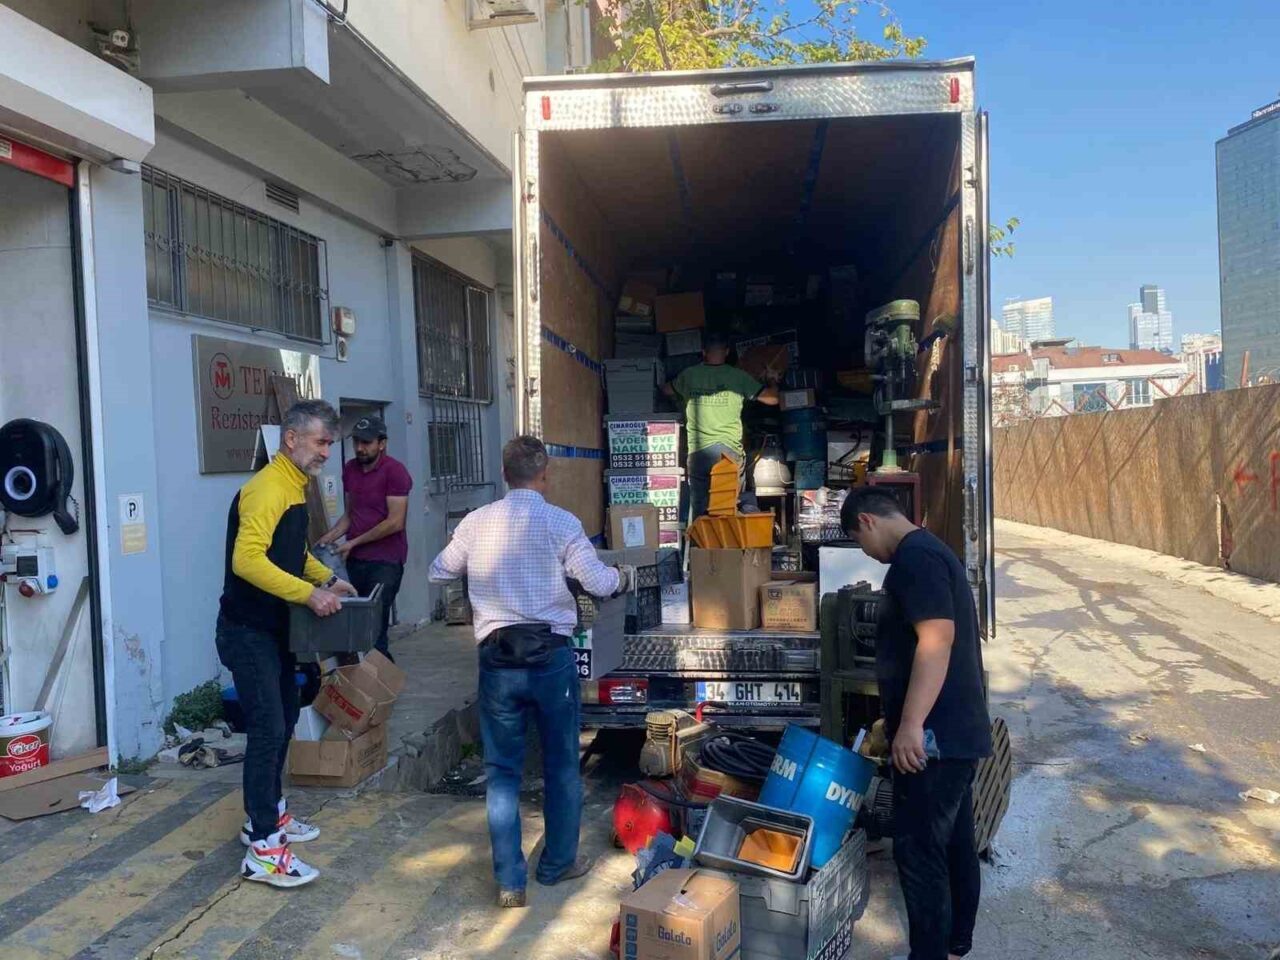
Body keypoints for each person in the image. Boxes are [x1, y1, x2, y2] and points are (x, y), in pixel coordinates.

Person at [428, 436, 636, 908]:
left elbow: (438, 571)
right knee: (561, 764)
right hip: (550, 659)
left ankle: (509, 882)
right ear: (544, 476)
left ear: (505, 474)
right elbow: (597, 581)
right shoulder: (562, 523)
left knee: (502, 771)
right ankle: (557, 863)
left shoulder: (476, 522)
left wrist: (479, 569)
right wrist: (623, 577)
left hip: (497, 661)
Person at [839, 486, 992, 960]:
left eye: (858, 541)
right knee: (955, 842)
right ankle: (955, 942)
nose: (866, 553)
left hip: (935, 739)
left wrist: (910, 725)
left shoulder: (915, 559)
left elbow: (936, 640)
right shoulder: (932, 551)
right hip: (953, 732)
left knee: (918, 851)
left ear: (868, 521)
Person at [216, 399, 357, 889]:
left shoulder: (294, 486)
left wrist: (327, 579)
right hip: (247, 631)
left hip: (277, 630)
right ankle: (263, 850)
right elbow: (248, 561)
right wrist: (309, 594)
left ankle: (269, 814)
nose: (326, 453)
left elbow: (292, 553)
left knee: (285, 721)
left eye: (330, 444)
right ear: (291, 438)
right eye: (320, 442)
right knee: (268, 730)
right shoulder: (266, 489)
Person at [316, 414, 412, 660]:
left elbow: (395, 522)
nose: (360, 448)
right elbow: (350, 515)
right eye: (357, 441)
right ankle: (360, 681)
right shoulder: (350, 469)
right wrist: (327, 539)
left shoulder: (395, 471)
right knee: (353, 627)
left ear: (382, 444)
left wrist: (353, 542)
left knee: (373, 632)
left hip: (385, 563)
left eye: (366, 442)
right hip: (355, 561)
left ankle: (380, 680)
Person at [661, 330, 779, 520]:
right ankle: (726, 537)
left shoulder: (690, 375)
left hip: (699, 452)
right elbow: (772, 399)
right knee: (728, 507)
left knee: (700, 509)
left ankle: (701, 537)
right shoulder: (738, 377)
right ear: (726, 352)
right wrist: (772, 379)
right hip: (729, 452)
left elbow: (667, 390)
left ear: (703, 352)